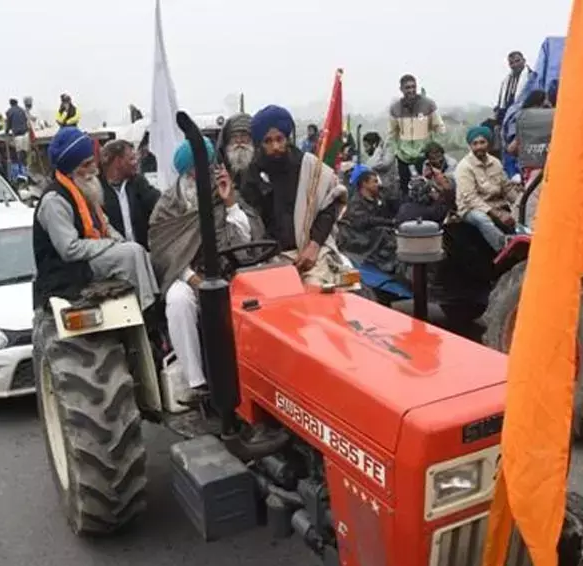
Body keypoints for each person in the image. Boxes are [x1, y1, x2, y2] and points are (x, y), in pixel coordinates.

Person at [148, 136, 263, 399]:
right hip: (189, 276)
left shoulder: (224, 194)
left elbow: (247, 241)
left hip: (229, 271)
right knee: (178, 300)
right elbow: (165, 254)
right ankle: (197, 382)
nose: (205, 175)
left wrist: (230, 202)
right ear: (187, 172)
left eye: (209, 168)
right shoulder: (168, 206)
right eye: (197, 170)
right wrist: (192, 279)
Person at [32, 127, 158, 315]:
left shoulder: (84, 190)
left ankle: (155, 306)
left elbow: (105, 225)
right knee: (130, 254)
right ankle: (147, 313)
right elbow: (69, 249)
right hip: (68, 272)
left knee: (140, 252)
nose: (94, 169)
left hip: (89, 260)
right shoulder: (54, 201)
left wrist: (119, 241)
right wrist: (109, 244)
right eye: (87, 164)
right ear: (73, 170)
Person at [241, 105, 350, 286]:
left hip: (313, 250)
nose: (275, 146)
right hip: (272, 256)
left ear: (287, 138)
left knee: (316, 288)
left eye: (279, 139)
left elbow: (329, 204)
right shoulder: (252, 176)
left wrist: (314, 246)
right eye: (268, 141)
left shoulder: (309, 167)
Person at [452, 126, 521, 251]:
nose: (479, 146)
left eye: (482, 142)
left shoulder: (496, 163)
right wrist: (498, 214)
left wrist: (520, 203)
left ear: (488, 144)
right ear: (470, 146)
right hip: (471, 208)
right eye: (475, 143)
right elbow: (470, 198)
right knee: (481, 219)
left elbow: (507, 188)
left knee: (520, 213)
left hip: (496, 204)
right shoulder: (464, 167)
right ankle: (504, 247)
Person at [388, 74, 446, 195]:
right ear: (401, 89)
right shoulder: (395, 108)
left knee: (427, 188)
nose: (411, 90)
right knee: (406, 190)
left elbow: (439, 127)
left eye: (413, 87)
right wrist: (395, 151)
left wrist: (435, 148)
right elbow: (392, 133)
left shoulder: (428, 104)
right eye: (407, 87)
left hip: (423, 155)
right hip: (403, 157)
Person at [338, 164, 401, 274]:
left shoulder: (379, 198)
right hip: (360, 237)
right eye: (374, 181)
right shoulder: (356, 203)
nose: (378, 185)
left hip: (376, 233)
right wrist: (389, 222)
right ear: (365, 184)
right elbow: (363, 222)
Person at [98, 139, 161, 249]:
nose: (136, 161)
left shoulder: (138, 182)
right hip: (114, 256)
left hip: (143, 253)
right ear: (118, 161)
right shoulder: (96, 189)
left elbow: (158, 203)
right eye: (131, 159)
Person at [494, 51, 536, 124]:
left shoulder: (532, 77)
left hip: (525, 117)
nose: (515, 65)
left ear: (524, 60)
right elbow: (501, 103)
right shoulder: (505, 82)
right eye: (511, 63)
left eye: (517, 61)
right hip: (507, 118)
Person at [5, 98, 29, 166]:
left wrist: (6, 131)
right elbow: (25, 120)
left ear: (10, 104)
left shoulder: (9, 111)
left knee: (19, 151)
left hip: (18, 135)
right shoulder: (22, 110)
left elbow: (8, 123)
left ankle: (21, 165)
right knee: (24, 151)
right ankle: (25, 165)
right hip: (25, 133)